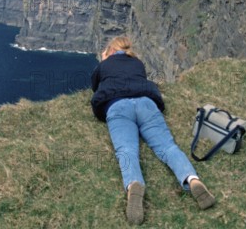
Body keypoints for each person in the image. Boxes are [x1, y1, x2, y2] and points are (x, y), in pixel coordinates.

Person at [91, 36, 215, 225]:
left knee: (127, 150)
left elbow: (95, 85)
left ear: (109, 51)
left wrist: (104, 61)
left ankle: (134, 184)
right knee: (168, 147)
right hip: (146, 104)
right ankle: (192, 179)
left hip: (118, 106)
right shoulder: (137, 62)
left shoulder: (104, 65)